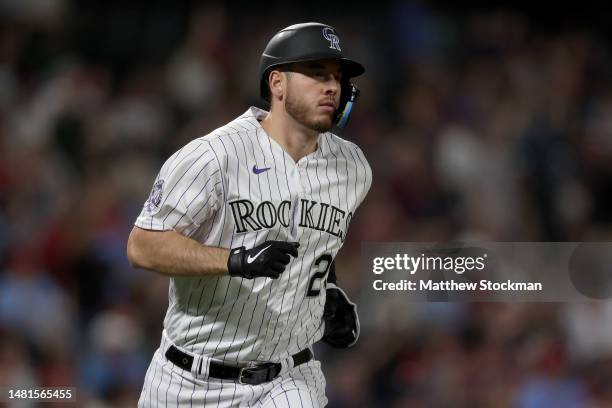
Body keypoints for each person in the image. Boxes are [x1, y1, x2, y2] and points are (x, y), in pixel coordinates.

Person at [127, 22, 372, 407]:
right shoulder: (213, 156)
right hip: (191, 377)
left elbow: (317, 239)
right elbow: (143, 246)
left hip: (290, 378)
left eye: (337, 78)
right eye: (316, 74)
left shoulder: (353, 166)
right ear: (277, 83)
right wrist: (234, 261)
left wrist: (331, 291)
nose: (332, 87)